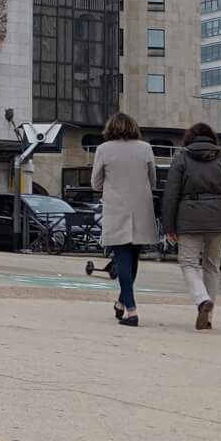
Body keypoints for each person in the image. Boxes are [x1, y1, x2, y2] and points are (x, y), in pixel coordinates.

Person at [161, 121, 221, 329]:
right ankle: (208, 318)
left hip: (188, 218)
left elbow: (171, 195)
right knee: (212, 266)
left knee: (188, 263)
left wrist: (168, 226)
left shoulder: (181, 159)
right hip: (219, 219)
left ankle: (202, 299)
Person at [89, 112, 157, 327]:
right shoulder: (145, 148)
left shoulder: (103, 150)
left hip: (117, 208)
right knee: (133, 258)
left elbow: (95, 183)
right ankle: (121, 302)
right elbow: (153, 180)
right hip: (141, 208)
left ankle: (132, 310)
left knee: (122, 258)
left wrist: (109, 187)